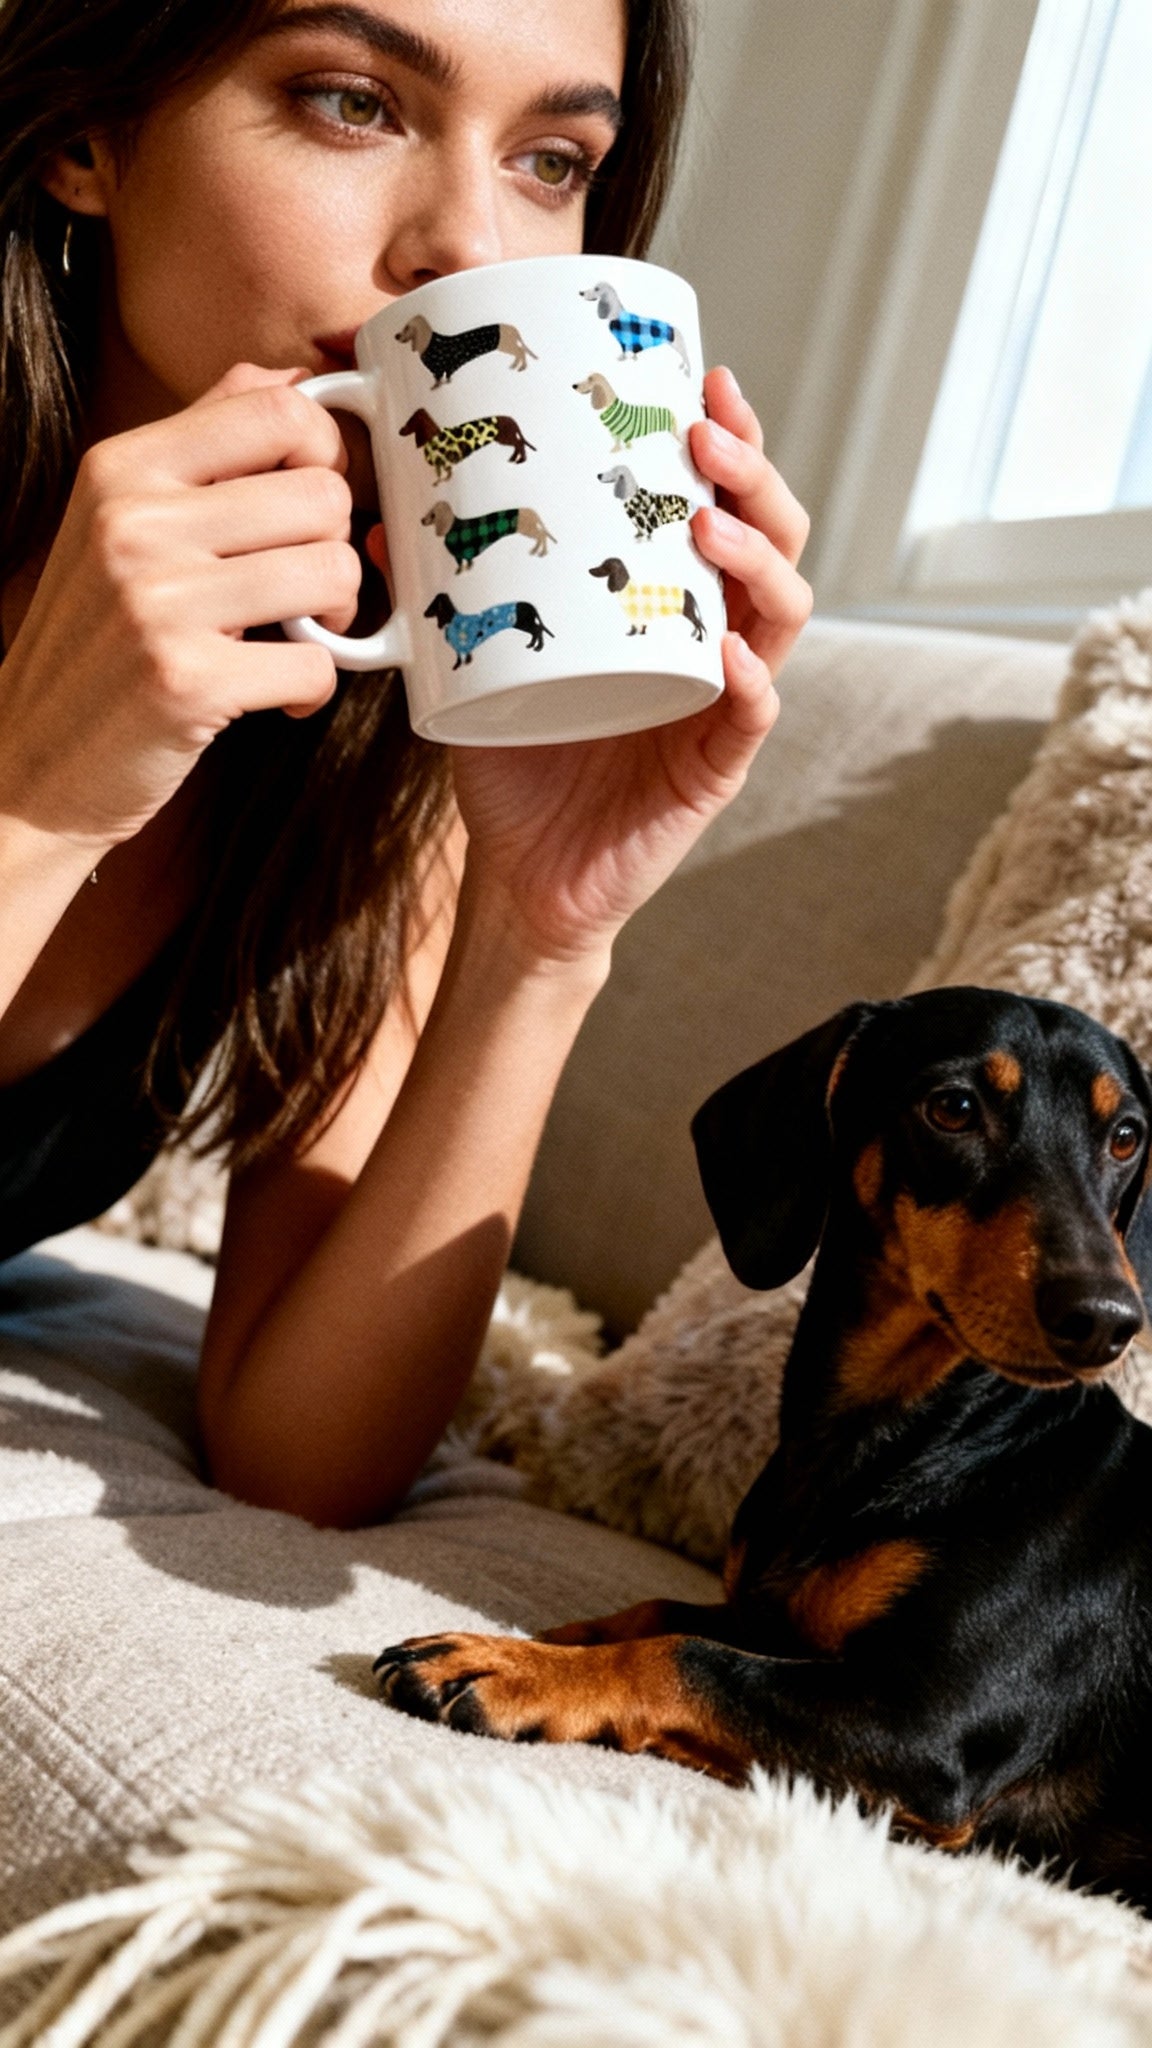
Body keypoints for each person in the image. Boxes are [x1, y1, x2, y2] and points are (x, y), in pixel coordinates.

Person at [0, 0, 812, 1528]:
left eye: (552, 159)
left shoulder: (374, 710)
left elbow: (305, 1453)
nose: (471, 246)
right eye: (350, 103)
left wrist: (543, 937)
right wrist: (38, 800)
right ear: (83, 136)